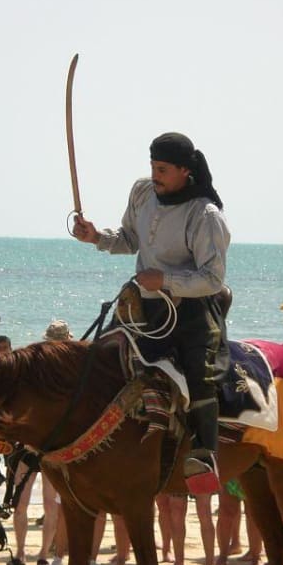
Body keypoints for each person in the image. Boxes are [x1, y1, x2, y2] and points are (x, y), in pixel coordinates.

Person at [72, 131, 230, 495]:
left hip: (189, 308)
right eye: (152, 167)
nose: (155, 175)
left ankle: (205, 455)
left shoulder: (205, 215)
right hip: (141, 305)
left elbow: (213, 278)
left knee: (198, 372)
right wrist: (96, 237)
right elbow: (129, 239)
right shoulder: (143, 192)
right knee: (100, 356)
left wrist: (166, 279)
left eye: (162, 169)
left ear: (185, 172)